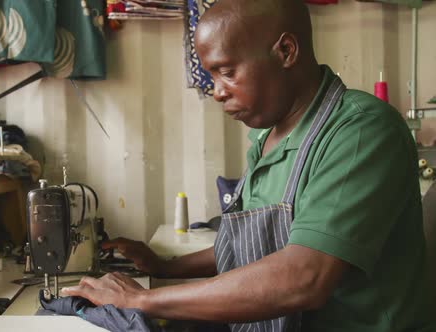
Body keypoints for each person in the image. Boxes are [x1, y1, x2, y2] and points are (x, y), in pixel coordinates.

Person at [63, 0, 435, 330]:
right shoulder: (267, 141)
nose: (216, 91)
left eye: (226, 71)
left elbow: (304, 276)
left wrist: (140, 299)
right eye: (210, 76)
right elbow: (253, 246)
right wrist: (165, 267)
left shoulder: (361, 131)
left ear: (286, 50)